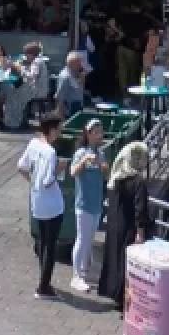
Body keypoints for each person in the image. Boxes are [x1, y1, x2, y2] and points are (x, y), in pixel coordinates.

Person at [17, 113, 67, 300]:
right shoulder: (50, 152)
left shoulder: (33, 144)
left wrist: (32, 183)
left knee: (42, 241)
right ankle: (44, 286)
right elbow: (47, 180)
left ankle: (44, 280)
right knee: (50, 245)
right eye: (58, 129)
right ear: (52, 130)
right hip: (52, 204)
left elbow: (21, 167)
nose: (60, 133)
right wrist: (58, 170)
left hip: (37, 201)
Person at [97, 141, 151, 310]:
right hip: (129, 227)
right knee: (127, 263)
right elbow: (140, 209)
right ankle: (124, 298)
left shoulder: (116, 178)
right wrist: (141, 232)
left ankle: (113, 292)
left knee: (114, 258)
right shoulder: (138, 181)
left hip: (114, 226)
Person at [69, 118, 107, 292]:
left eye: (100, 131)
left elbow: (107, 174)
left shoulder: (101, 153)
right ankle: (76, 276)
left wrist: (101, 164)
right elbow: (72, 172)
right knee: (82, 239)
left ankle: (85, 272)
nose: (99, 134)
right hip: (83, 204)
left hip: (96, 204)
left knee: (90, 239)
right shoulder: (81, 152)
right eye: (96, 131)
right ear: (89, 134)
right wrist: (84, 161)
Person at [56, 51, 87, 118]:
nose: (81, 65)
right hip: (69, 109)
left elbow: (79, 87)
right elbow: (60, 96)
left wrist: (82, 78)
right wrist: (60, 114)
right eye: (79, 63)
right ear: (73, 64)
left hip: (77, 106)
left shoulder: (75, 73)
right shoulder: (65, 77)